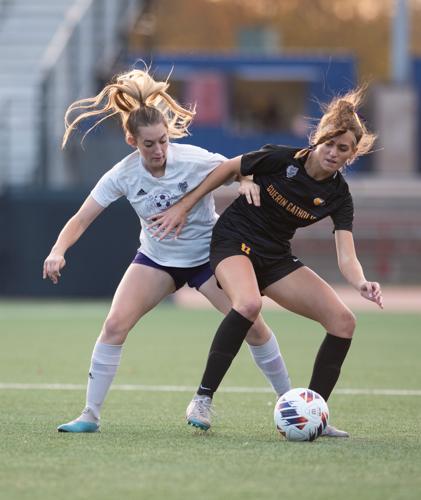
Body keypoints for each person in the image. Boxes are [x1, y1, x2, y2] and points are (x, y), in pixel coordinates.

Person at [42, 68, 293, 433]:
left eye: (163, 140)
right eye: (149, 144)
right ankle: (90, 415)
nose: (159, 150)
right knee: (114, 325)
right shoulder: (122, 175)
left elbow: (238, 167)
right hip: (157, 260)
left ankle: (290, 406)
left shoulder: (191, 158)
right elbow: (81, 218)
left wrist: (247, 181)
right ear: (132, 142)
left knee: (253, 325)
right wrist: (58, 250)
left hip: (209, 257)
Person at [148, 87, 384, 437]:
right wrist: (185, 205)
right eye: (329, 144)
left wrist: (361, 282)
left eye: (343, 148)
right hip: (233, 240)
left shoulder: (338, 196)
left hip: (275, 256)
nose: (333, 153)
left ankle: (313, 413)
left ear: (352, 155)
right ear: (318, 140)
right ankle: (203, 398)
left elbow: (346, 254)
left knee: (343, 321)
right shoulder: (282, 159)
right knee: (248, 304)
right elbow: (228, 168)